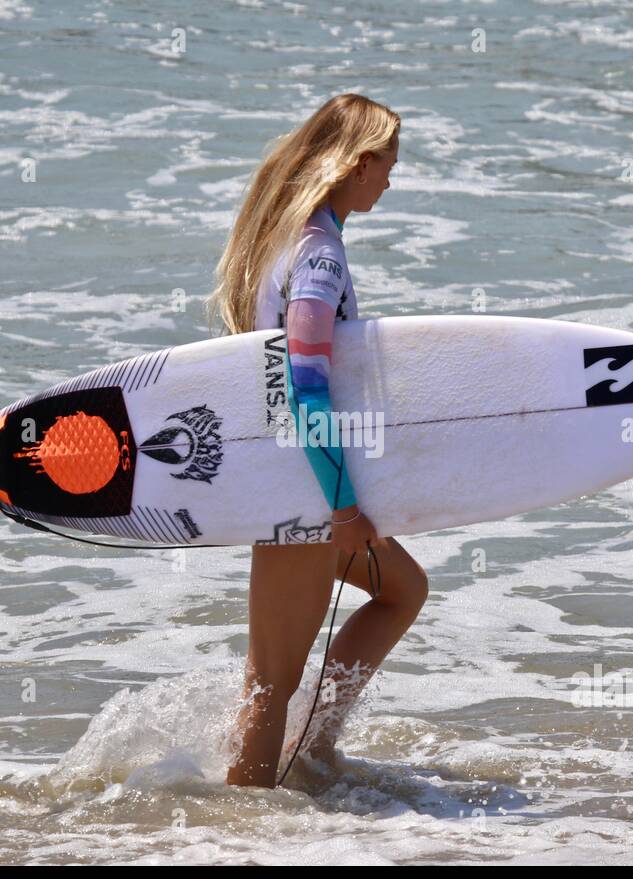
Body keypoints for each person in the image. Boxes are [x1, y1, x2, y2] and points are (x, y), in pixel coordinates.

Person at [205, 93, 429, 788]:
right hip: (304, 488)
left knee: (403, 589)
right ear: (359, 165)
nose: (391, 181)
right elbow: (305, 382)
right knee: (271, 681)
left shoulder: (281, 237)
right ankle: (241, 832)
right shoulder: (320, 255)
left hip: (285, 472)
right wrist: (340, 504)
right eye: (388, 166)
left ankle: (314, 750)